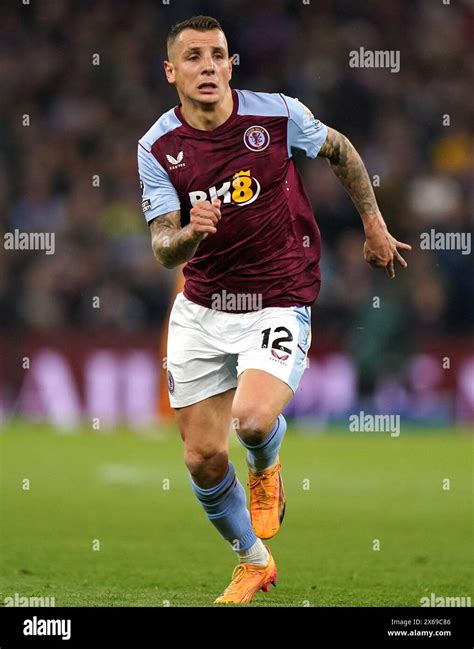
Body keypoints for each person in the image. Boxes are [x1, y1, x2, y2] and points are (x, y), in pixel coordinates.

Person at [137, 15, 411, 604]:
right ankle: (253, 562)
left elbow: (339, 150)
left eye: (218, 55)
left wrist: (374, 223)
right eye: (193, 57)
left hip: (278, 297)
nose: (207, 66)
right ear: (171, 72)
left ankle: (267, 467)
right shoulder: (157, 146)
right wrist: (190, 235)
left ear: (232, 64)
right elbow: (163, 248)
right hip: (202, 305)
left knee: (254, 420)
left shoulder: (277, 115)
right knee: (202, 458)